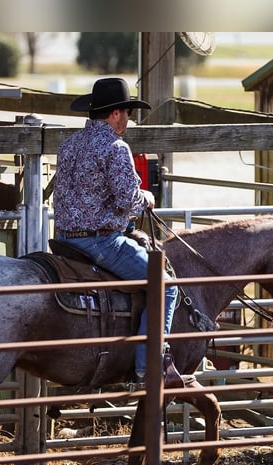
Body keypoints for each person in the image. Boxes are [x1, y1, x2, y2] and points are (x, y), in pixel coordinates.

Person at [53, 77, 180, 386]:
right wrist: (146, 197)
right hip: (101, 241)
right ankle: (145, 366)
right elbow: (129, 200)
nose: (128, 119)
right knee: (165, 286)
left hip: (65, 240)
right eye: (127, 112)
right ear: (114, 114)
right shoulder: (115, 147)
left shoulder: (69, 145)